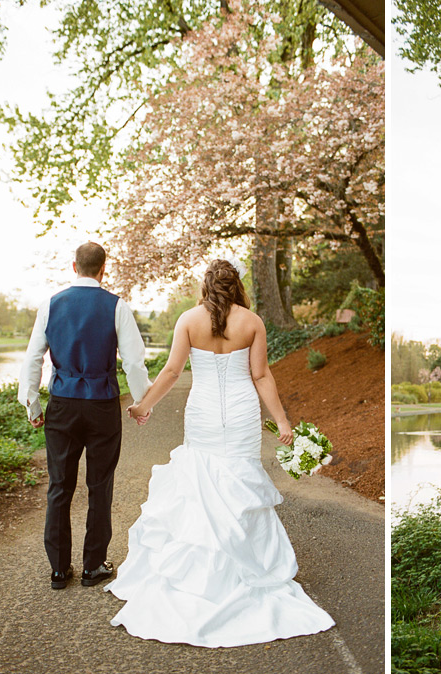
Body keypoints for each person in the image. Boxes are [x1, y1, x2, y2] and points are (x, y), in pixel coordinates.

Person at [104, 258, 334, 647]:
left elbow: (173, 372)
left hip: (204, 413)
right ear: (237, 286)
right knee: (239, 483)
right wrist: (282, 422)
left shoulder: (188, 320)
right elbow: (260, 375)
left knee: (200, 483)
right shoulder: (252, 322)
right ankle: (245, 567)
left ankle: (201, 572)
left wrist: (144, 405)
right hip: (241, 412)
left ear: (206, 285)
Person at [18, 242, 151, 589]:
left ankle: (60, 570)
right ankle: (93, 566)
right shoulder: (116, 306)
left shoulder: (50, 305)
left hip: (62, 404)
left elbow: (33, 359)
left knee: (60, 486)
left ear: (73, 267)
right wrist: (142, 402)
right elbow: (134, 362)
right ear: (103, 269)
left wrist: (32, 405)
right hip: (103, 405)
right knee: (99, 485)